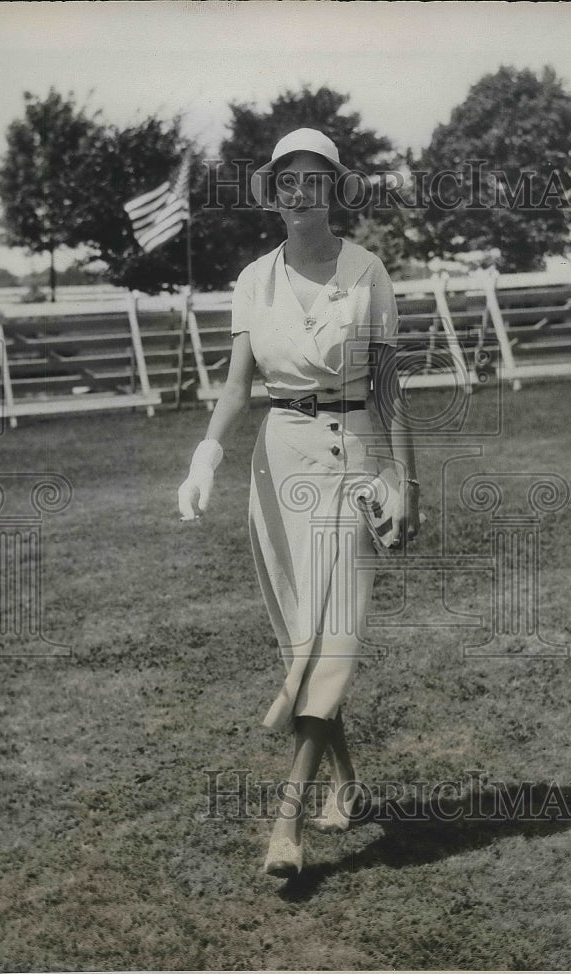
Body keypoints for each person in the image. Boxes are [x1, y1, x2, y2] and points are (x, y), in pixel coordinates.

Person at [178, 128, 420, 878]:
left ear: (333, 190)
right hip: (279, 459)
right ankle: (346, 785)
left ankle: (286, 825)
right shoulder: (254, 278)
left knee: (332, 632)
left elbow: (386, 387)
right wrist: (205, 454)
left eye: (314, 178)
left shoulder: (365, 269)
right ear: (273, 192)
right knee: (301, 633)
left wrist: (406, 482)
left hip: (354, 455)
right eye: (287, 178)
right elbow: (236, 385)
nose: (299, 190)